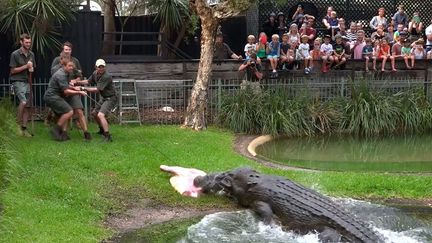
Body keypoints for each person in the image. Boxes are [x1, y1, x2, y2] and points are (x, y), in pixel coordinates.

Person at [43, 57, 87, 141]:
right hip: (52, 97)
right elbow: (66, 91)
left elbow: (65, 85)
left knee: (63, 113)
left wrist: (75, 88)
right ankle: (56, 130)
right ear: (64, 66)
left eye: (72, 66)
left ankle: (62, 135)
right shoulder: (61, 74)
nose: (72, 68)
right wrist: (79, 92)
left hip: (54, 96)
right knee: (69, 111)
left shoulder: (65, 73)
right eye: (69, 66)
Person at [74, 59, 117, 142]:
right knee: (94, 113)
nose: (101, 69)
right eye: (99, 67)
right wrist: (77, 82)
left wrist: (82, 88)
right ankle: (102, 129)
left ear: (105, 67)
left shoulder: (106, 76)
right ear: (96, 67)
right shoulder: (95, 73)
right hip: (104, 98)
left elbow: (97, 89)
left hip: (110, 98)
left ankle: (107, 136)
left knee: (101, 115)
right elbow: (88, 81)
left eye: (103, 67)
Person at [9, 33, 36, 137]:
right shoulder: (15, 54)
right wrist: (26, 66)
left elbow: (32, 68)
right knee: (23, 102)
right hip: (18, 81)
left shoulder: (32, 54)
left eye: (29, 42)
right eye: (26, 42)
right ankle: (17, 125)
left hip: (27, 81)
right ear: (21, 42)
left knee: (28, 106)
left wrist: (31, 69)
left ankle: (24, 128)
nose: (28, 44)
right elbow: (12, 71)